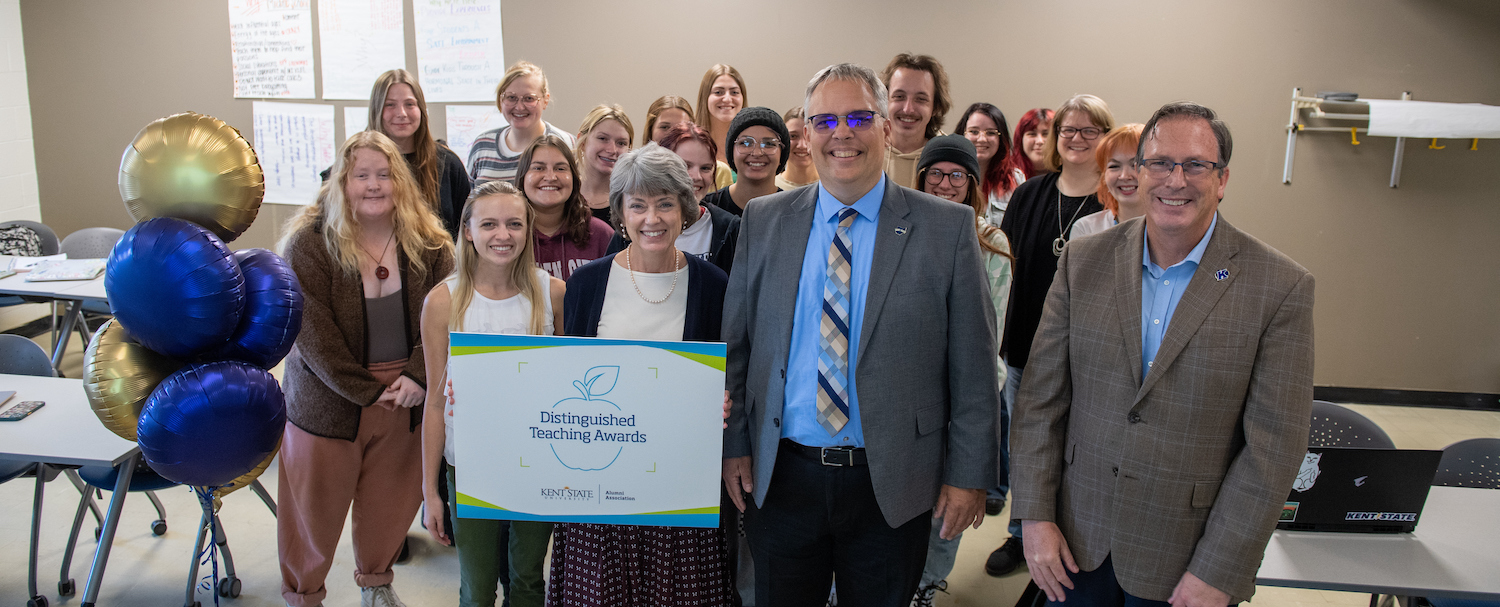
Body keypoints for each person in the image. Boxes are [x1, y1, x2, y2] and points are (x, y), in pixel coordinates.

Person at [1011, 101, 1315, 607]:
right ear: (1140, 172)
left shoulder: (1279, 287)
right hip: (1074, 545)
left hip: (1187, 561)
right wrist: (1035, 517)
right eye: (1159, 163)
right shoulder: (1084, 262)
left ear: (1222, 180)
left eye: (1195, 165)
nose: (1175, 180)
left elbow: (1273, 449)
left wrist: (1220, 569)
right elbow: (1040, 402)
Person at [722, 63, 999, 606]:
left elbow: (972, 365)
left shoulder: (945, 228)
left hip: (892, 482)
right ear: (805, 135)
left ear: (886, 128)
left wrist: (969, 476)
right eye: (825, 120)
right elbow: (738, 348)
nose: (841, 133)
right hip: (781, 476)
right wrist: (734, 447)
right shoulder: (764, 220)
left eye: (857, 117)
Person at [547, 143, 733, 606]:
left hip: (678, 484)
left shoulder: (714, 286)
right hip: (598, 489)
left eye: (665, 203)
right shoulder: (587, 284)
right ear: (620, 213)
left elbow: (730, 373)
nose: (653, 217)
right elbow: (566, 378)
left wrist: (724, 396)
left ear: (685, 210)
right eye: (639, 205)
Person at [276, 130, 454, 607]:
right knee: (311, 512)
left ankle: (376, 583)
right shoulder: (307, 245)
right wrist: (363, 390)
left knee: (389, 504)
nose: (374, 185)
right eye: (361, 176)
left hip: (406, 398)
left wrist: (419, 377)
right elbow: (310, 333)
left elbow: (450, 315)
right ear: (342, 182)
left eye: (384, 175)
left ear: (402, 183)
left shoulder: (433, 244)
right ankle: (304, 596)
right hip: (328, 402)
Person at [419, 181, 565, 607]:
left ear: (528, 229)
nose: (503, 235)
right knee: (477, 587)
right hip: (470, 465)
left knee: (527, 580)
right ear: (468, 231)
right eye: (489, 224)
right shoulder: (444, 302)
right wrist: (430, 491)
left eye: (514, 224)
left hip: (537, 463)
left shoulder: (551, 294)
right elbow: (434, 401)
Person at [987, 94, 1115, 578]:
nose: (1077, 138)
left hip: (1089, 354)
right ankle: (1024, 535)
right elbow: (1005, 271)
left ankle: (1081, 535)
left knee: (1081, 447)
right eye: (1069, 129)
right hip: (1026, 347)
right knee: (1029, 444)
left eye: (1090, 130)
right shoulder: (1030, 195)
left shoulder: (1116, 196)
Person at [909, 135, 1013, 607]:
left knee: (948, 507)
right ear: (921, 177)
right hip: (906, 396)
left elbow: (988, 341)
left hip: (961, 397)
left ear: (972, 183)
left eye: (957, 175)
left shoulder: (991, 243)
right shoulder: (898, 230)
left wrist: (971, 406)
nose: (945, 184)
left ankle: (928, 583)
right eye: (936, 173)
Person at [613, 123, 741, 276]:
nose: (696, 177)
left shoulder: (729, 228)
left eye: (706, 168)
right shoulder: (632, 225)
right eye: (685, 166)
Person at [364, 69, 471, 237]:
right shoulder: (356, 166)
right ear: (376, 110)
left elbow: (467, 230)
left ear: (421, 109)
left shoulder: (448, 164)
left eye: (409, 104)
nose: (401, 113)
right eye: (390, 105)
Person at [514, 135, 614, 281]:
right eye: (538, 168)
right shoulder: (509, 237)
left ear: (574, 177)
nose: (550, 177)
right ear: (523, 178)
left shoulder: (601, 235)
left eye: (560, 168)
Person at [468, 61, 575, 185]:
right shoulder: (482, 145)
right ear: (501, 100)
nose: (519, 107)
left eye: (529, 98)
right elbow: (469, 199)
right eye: (511, 98)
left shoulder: (566, 144)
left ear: (545, 101)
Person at [879, 53, 951, 188]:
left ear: (935, 107)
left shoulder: (949, 156)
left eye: (921, 99)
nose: (908, 109)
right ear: (885, 100)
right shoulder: (867, 151)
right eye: (899, 96)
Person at [700, 107, 788, 216]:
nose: (757, 153)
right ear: (731, 151)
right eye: (746, 143)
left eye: (769, 144)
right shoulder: (706, 209)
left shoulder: (795, 211)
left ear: (782, 154)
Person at [955, 102, 1024, 227]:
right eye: (974, 131)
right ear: (962, 134)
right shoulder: (947, 176)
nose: (982, 139)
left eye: (991, 133)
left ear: (1001, 139)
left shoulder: (1015, 179)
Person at [1072, 124, 1146, 238]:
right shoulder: (1086, 229)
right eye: (1114, 166)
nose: (1124, 176)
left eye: (1134, 165)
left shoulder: (1176, 228)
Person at [575, 104, 635, 225]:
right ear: (582, 141)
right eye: (603, 138)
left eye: (621, 143)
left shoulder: (632, 200)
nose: (612, 150)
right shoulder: (563, 193)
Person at [695, 64, 743, 189]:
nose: (727, 99)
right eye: (718, 92)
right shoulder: (691, 144)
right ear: (705, 97)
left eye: (734, 92)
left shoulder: (752, 146)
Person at [775, 106, 818, 190]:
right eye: (793, 136)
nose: (802, 145)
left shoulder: (833, 187)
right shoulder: (770, 187)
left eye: (808, 135)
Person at [1008, 108, 1055, 180]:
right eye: (1032, 134)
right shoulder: (1007, 177)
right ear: (1020, 139)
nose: (1040, 141)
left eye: (1046, 134)